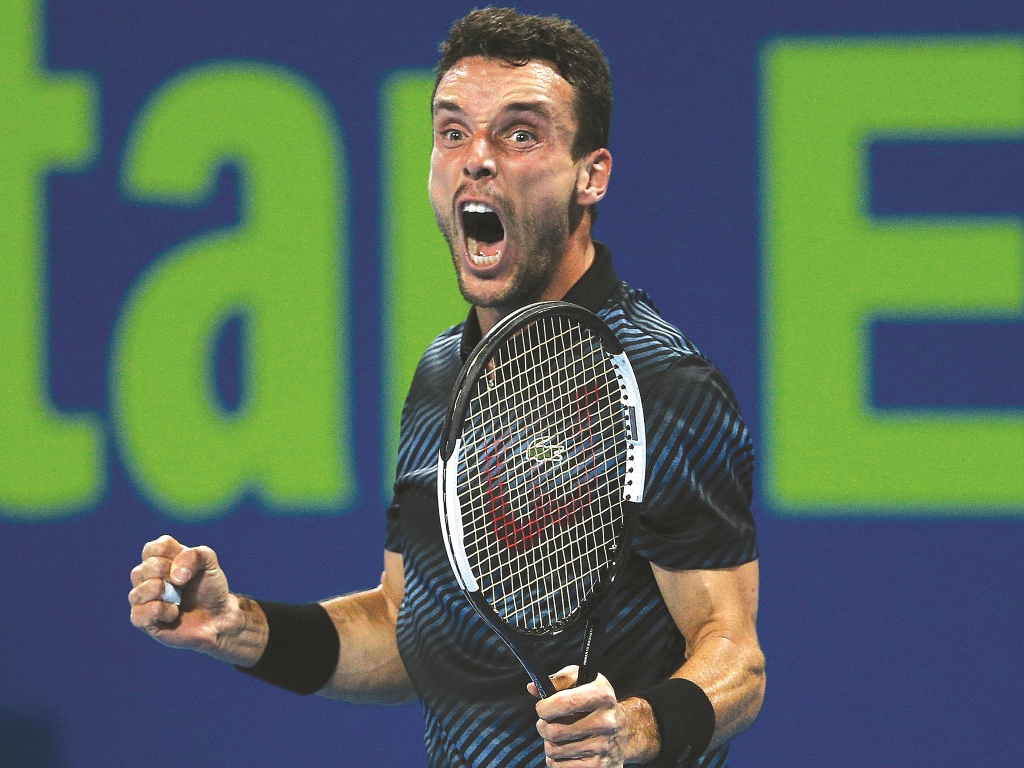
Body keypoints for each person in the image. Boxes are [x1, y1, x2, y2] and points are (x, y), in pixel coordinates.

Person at [128, 8, 765, 767]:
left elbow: (734, 658)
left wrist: (633, 729)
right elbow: (406, 624)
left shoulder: (661, 380)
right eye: (454, 131)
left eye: (520, 134)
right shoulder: (442, 372)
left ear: (591, 175)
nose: (477, 159)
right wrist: (239, 627)